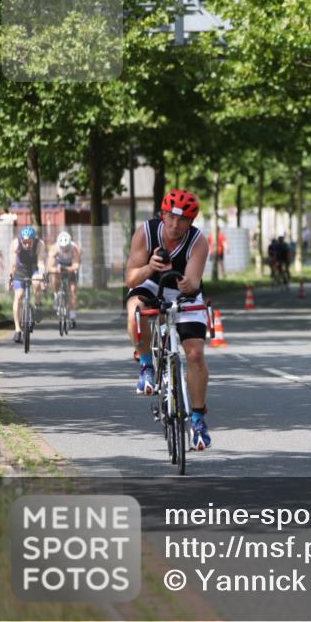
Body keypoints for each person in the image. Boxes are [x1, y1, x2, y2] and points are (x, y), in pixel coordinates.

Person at [124, 189, 213, 450]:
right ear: (162, 214)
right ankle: (146, 366)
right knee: (135, 310)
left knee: (195, 354)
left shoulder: (199, 242)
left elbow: (194, 281)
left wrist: (188, 285)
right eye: (171, 218)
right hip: (149, 283)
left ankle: (197, 419)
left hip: (185, 293)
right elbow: (130, 279)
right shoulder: (146, 233)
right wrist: (151, 266)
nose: (175, 225)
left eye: (183, 220)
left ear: (191, 222)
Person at [8, 226, 47, 344]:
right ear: (20, 240)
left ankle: (38, 305)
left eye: (29, 242)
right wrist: (10, 278)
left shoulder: (40, 244)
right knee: (18, 296)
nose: (26, 245)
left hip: (34, 268)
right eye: (24, 242)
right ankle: (17, 329)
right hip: (20, 269)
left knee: (36, 283)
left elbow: (41, 262)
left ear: (33, 240)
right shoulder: (15, 244)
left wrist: (42, 276)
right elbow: (13, 264)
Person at [47, 231, 82, 328]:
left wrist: (68, 269)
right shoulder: (54, 249)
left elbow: (77, 265)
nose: (64, 249)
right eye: (62, 247)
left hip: (71, 265)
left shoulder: (75, 249)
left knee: (73, 290)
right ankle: (56, 295)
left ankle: (72, 316)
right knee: (55, 276)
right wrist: (55, 269)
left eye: (66, 247)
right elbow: (50, 266)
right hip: (59, 264)